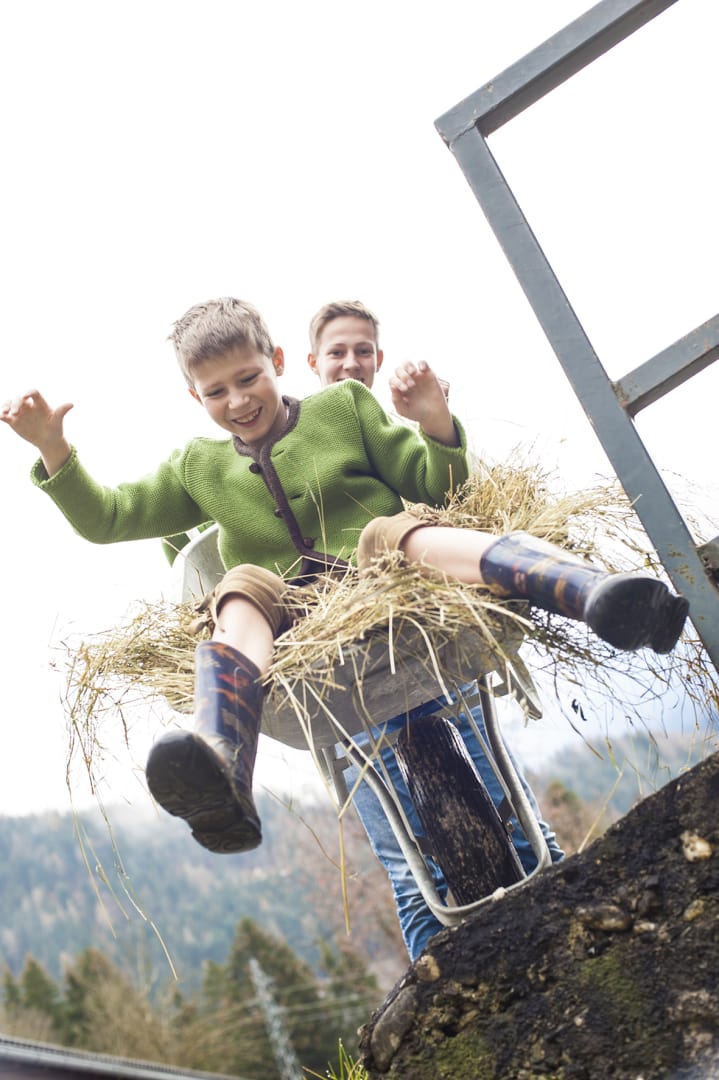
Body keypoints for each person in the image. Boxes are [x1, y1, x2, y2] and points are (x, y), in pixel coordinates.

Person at [1, 297, 688, 889]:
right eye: (216, 392)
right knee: (238, 588)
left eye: (248, 378)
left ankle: (588, 593)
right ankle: (223, 758)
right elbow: (110, 518)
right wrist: (54, 450)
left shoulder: (343, 408)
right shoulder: (195, 466)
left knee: (395, 532)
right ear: (194, 397)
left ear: (276, 360)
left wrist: (434, 422)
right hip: (295, 619)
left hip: (383, 576)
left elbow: (436, 484)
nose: (237, 401)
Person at [307, 300, 566, 959]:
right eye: (337, 351)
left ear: (378, 360)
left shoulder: (385, 432)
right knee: (403, 849)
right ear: (311, 363)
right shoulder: (293, 444)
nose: (350, 362)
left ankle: (557, 878)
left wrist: (433, 421)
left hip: (419, 633)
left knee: (494, 775)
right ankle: (430, 964)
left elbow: (445, 490)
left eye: (362, 350)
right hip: (340, 663)